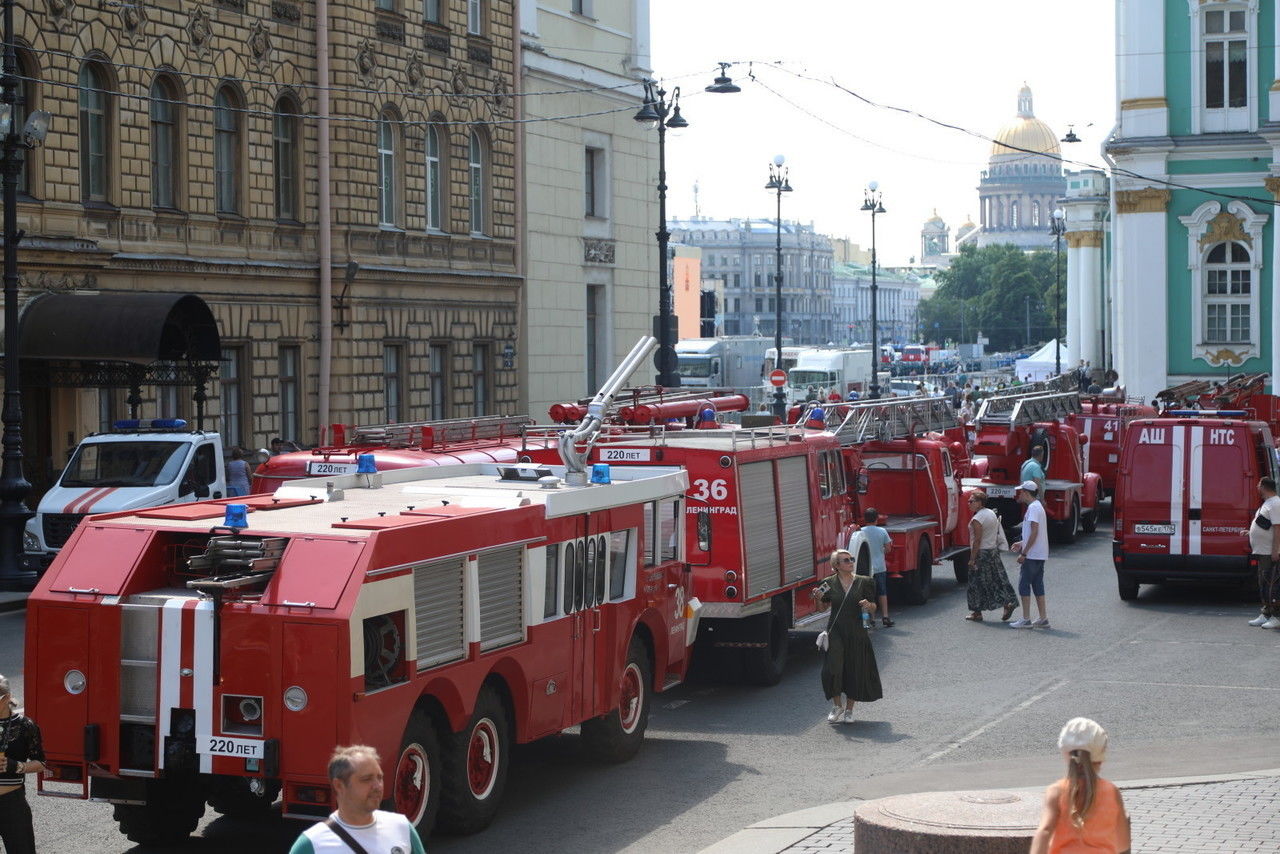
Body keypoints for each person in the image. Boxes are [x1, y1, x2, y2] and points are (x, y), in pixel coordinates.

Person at [290, 745, 425, 854]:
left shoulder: (402, 828)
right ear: (339, 785)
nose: (377, 786)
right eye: (366, 779)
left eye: (379, 778)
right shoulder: (311, 844)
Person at [1030, 718, 1131, 854]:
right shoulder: (1112, 792)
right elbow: (1123, 843)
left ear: (1065, 753)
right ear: (1100, 758)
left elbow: (1045, 831)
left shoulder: (1057, 791)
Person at [811, 549, 881, 724]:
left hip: (857, 631)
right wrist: (818, 598)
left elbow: (874, 607)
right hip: (836, 631)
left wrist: (867, 604)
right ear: (836, 566)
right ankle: (837, 706)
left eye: (851, 559)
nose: (851, 562)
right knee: (833, 668)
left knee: (854, 668)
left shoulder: (865, 582)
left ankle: (849, 710)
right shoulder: (828, 583)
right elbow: (821, 609)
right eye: (846, 560)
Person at [0, 675, 45, 854]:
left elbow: (41, 762)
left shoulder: (26, 726)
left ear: (7, 698)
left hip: (12, 802)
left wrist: (16, 766)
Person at [963, 492, 1018, 622]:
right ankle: (1008, 604)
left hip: (981, 553)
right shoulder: (990, 513)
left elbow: (977, 540)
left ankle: (977, 612)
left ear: (980, 502)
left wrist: (972, 559)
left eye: (971, 501)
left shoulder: (978, 519)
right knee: (996, 580)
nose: (969, 504)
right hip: (992, 551)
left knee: (975, 583)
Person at [1010, 481, 1050, 628]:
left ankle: (1026, 619)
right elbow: (1034, 533)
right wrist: (1021, 542)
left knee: (1024, 585)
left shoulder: (1033, 508)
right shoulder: (1038, 506)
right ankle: (1043, 618)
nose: (1019, 494)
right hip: (1040, 554)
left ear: (1026, 493)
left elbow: (1034, 531)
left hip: (1032, 555)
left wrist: (1024, 553)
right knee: (1038, 585)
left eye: (1021, 492)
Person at [1246, 476, 1280, 629]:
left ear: (1265, 486)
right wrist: (1250, 532)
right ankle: (1265, 613)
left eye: (1259, 484)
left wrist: (1276, 550)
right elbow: (1265, 525)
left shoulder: (1275, 503)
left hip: (1269, 551)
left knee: (1271, 584)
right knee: (1263, 582)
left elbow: (1278, 528)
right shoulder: (1268, 503)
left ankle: (1276, 616)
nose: (1257, 487)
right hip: (1262, 550)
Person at [859, 508, 894, 627]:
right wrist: (881, 551)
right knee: (882, 592)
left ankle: (872, 619)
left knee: (868, 594)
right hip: (880, 567)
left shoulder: (860, 532)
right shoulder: (882, 531)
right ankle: (885, 617)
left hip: (866, 568)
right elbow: (888, 549)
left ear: (864, 519)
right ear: (876, 518)